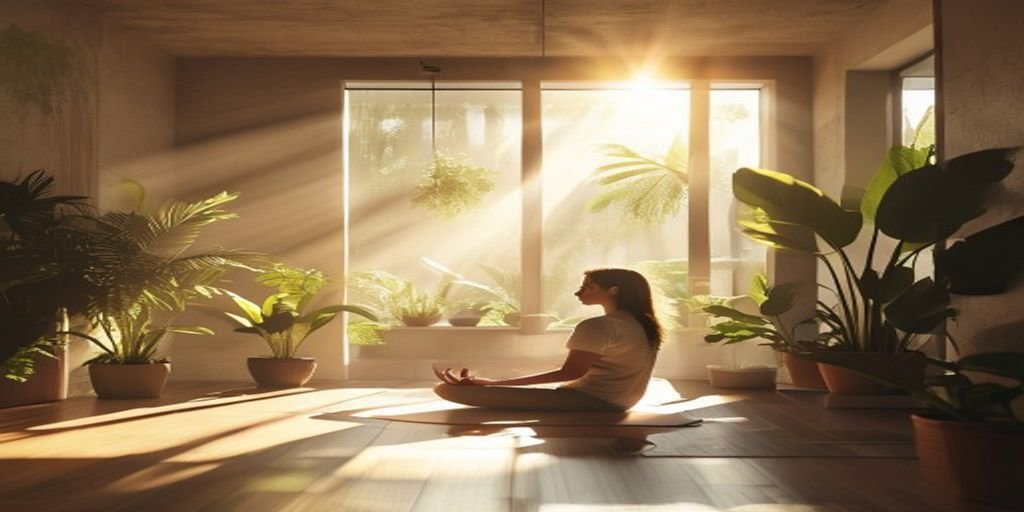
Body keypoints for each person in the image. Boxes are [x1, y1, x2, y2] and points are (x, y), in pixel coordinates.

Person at [434, 268, 663, 412]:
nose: (578, 293)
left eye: (588, 287)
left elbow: (570, 373)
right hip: (624, 402)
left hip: (594, 402)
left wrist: (492, 384)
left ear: (614, 290)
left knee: (445, 389)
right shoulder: (643, 325)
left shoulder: (598, 326)